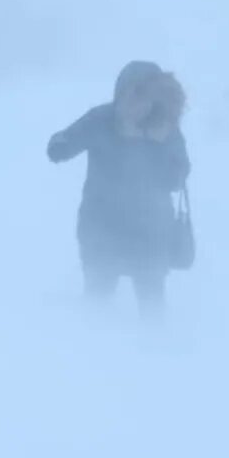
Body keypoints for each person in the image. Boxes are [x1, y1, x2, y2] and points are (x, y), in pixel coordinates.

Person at [47, 61, 190, 314]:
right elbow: (61, 147)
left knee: (152, 307)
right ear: (119, 94)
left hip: (150, 234)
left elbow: (176, 180)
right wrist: (60, 144)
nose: (135, 105)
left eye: (143, 96)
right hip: (101, 228)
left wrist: (158, 147)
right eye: (130, 95)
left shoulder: (165, 127)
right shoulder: (100, 120)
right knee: (97, 302)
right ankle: (91, 350)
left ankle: (154, 349)